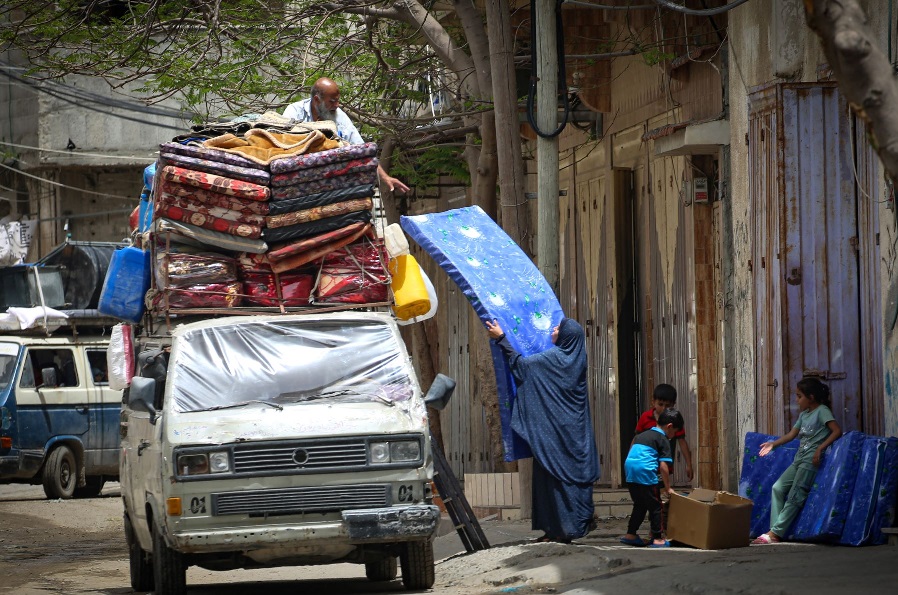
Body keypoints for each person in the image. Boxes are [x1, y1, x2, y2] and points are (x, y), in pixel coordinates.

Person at [485, 317, 600, 543]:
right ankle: (555, 531)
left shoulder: (554, 358)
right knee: (551, 479)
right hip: (573, 433)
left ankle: (562, 531)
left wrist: (501, 337)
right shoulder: (577, 359)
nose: (554, 329)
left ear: (566, 336)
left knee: (551, 479)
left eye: (559, 328)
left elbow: (521, 366)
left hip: (554, 434)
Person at [751, 377, 842, 544]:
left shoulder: (822, 411)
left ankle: (774, 534)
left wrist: (820, 448)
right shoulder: (804, 415)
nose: (796, 400)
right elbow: (791, 435)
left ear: (811, 397)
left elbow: (837, 431)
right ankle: (775, 531)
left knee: (795, 495)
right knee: (777, 488)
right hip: (799, 459)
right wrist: (773, 444)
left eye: (799, 396)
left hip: (809, 462)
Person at [282, 77, 410, 194]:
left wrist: (385, 177)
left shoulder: (339, 115)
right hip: (302, 179)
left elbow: (362, 148)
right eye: (332, 101)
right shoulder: (294, 112)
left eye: (337, 101)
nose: (336, 105)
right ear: (316, 100)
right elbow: (283, 145)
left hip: (332, 181)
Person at [633, 383, 694, 482]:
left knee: (660, 491)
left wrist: (689, 465)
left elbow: (682, 441)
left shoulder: (675, 419)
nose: (663, 409)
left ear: (673, 405)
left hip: (664, 465)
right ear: (653, 402)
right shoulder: (645, 417)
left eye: (667, 405)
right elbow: (636, 439)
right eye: (660, 404)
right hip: (645, 464)